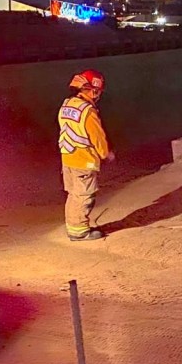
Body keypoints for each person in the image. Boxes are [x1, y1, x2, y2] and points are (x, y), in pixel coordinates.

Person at [58, 70, 113, 241]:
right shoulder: (87, 111)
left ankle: (74, 226)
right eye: (97, 91)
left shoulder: (67, 104)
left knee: (74, 195)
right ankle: (79, 231)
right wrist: (106, 154)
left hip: (67, 158)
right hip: (83, 160)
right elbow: (97, 137)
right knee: (84, 196)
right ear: (93, 90)